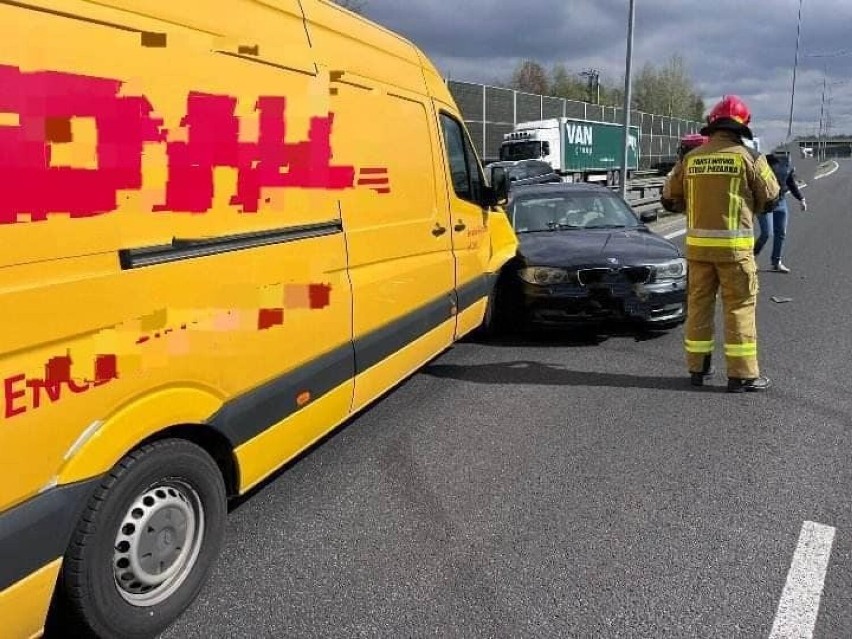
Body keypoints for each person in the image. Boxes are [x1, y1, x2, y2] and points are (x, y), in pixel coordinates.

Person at [661, 95, 781, 393]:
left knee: (699, 307)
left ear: (712, 125)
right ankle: (741, 376)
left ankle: (698, 369)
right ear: (742, 127)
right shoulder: (750, 158)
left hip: (699, 252)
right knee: (739, 308)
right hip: (735, 252)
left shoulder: (690, 159)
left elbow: (669, 199)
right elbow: (772, 197)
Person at [753, 151, 807, 273]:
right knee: (767, 233)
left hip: (781, 201)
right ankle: (751, 258)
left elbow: (790, 182)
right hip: (765, 201)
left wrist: (801, 198)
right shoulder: (765, 159)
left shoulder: (787, 161)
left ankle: (776, 262)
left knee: (781, 232)